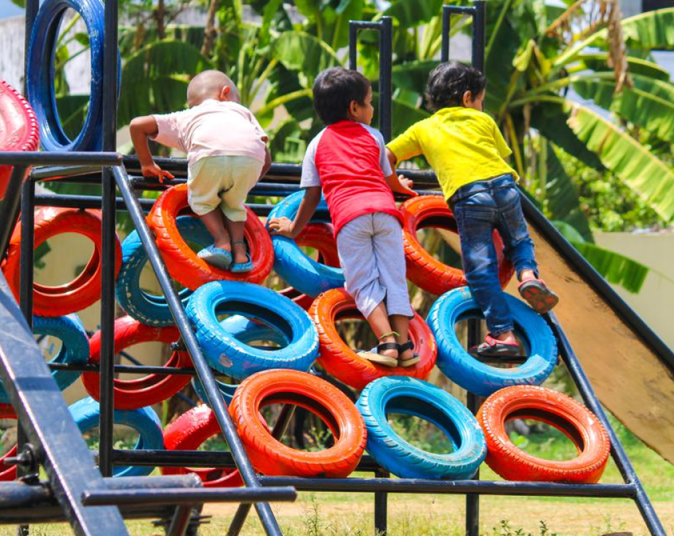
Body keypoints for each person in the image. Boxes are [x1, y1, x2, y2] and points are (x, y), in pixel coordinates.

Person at [386, 61, 559, 359]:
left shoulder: (423, 128)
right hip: (505, 186)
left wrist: (396, 184)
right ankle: (528, 275)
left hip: (469, 197)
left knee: (481, 268)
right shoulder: (483, 120)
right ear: (468, 98)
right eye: (481, 100)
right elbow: (500, 155)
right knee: (518, 240)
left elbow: (385, 155)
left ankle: (503, 333)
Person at [268, 67, 418, 368]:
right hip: (386, 214)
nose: (372, 109)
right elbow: (388, 179)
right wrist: (403, 187)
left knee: (362, 282)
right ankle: (404, 345)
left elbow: (312, 197)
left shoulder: (316, 144)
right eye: (370, 102)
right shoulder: (373, 136)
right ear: (354, 108)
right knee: (393, 278)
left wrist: (293, 229)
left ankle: (387, 343)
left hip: (350, 219)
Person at [129, 70, 271, 273]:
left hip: (209, 157)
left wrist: (147, 164)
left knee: (201, 200)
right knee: (234, 204)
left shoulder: (186, 116)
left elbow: (137, 125)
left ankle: (222, 242)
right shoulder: (242, 112)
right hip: (250, 160)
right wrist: (246, 183)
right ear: (225, 93)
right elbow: (266, 157)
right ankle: (240, 254)